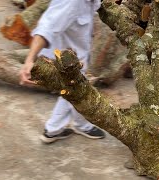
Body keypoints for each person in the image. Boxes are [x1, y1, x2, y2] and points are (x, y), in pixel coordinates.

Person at [19, 0, 106, 144]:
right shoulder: (70, 2)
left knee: (76, 90)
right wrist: (29, 60)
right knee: (73, 89)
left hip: (77, 55)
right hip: (64, 60)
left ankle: (71, 126)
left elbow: (96, 7)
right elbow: (46, 28)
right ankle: (54, 130)